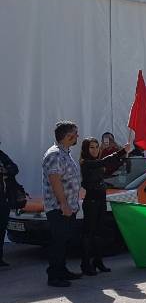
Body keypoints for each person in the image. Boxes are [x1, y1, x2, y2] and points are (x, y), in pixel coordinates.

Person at [80, 137, 131, 274]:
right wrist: (121, 152)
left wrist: (123, 158)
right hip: (91, 201)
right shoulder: (86, 163)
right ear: (86, 149)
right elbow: (104, 161)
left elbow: (108, 166)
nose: (95, 150)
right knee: (89, 234)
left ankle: (98, 261)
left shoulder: (97, 163)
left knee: (99, 233)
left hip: (101, 199)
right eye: (91, 147)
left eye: (97, 147)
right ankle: (85, 264)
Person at [42, 121, 84, 287]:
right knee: (58, 242)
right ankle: (54, 275)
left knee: (65, 241)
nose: (77, 136)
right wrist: (64, 204)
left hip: (68, 207)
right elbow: (55, 181)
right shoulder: (54, 154)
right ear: (68, 136)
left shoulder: (65, 153)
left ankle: (62, 270)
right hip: (58, 208)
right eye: (75, 133)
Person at [1, 144, 21, 268]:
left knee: (2, 228)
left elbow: (15, 168)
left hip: (3, 200)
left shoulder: (1, 155)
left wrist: (5, 170)